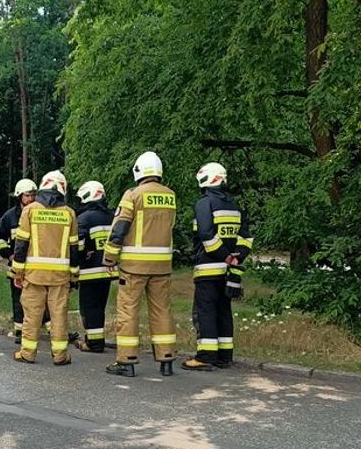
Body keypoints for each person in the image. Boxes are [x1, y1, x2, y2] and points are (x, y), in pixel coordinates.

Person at [103, 151, 178, 377]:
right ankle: (167, 360)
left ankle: (126, 362)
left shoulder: (133, 194)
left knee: (128, 312)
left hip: (134, 267)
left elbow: (119, 228)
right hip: (162, 267)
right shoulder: (170, 195)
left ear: (138, 171)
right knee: (162, 311)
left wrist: (109, 257)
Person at [184, 162, 253, 370]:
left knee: (206, 311)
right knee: (224, 311)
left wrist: (224, 255)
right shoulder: (234, 205)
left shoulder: (204, 204)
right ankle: (224, 356)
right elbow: (246, 237)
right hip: (229, 271)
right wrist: (236, 257)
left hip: (208, 268)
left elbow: (205, 234)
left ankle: (205, 357)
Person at [11, 170, 79, 366]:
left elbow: (21, 244)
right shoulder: (69, 213)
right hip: (60, 276)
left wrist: (18, 272)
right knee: (59, 315)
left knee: (32, 314)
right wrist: (74, 275)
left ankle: (27, 353)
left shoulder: (30, 210)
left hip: (34, 275)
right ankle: (60, 355)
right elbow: (74, 248)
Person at [0, 179, 46, 344]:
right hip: (17, 265)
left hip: (37, 265)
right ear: (19, 196)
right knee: (18, 298)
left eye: (33, 195)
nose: (31, 198)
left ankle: (45, 328)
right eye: (27, 195)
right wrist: (8, 255)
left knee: (41, 298)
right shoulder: (10, 216)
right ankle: (19, 331)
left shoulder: (41, 213)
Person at [74, 181, 115, 352]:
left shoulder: (84, 218)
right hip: (107, 271)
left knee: (89, 308)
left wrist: (81, 257)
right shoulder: (112, 216)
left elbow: (79, 245)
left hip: (89, 271)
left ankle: (94, 343)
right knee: (100, 306)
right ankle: (97, 339)